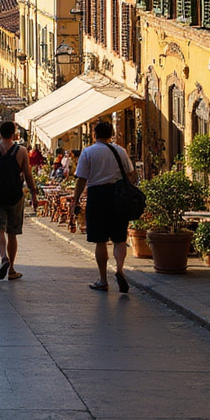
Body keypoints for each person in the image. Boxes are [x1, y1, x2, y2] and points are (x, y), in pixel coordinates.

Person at [71, 120, 137, 293]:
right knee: (119, 238)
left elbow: (81, 179)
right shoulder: (121, 151)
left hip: (97, 196)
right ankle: (120, 269)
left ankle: (102, 279)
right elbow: (132, 175)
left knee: (100, 240)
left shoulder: (89, 152)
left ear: (95, 134)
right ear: (111, 133)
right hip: (118, 195)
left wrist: (75, 200)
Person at [0, 121, 38, 280]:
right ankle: (11, 269)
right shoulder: (22, 151)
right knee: (12, 233)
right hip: (14, 194)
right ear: (14, 134)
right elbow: (28, 175)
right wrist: (34, 193)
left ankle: (3, 256)